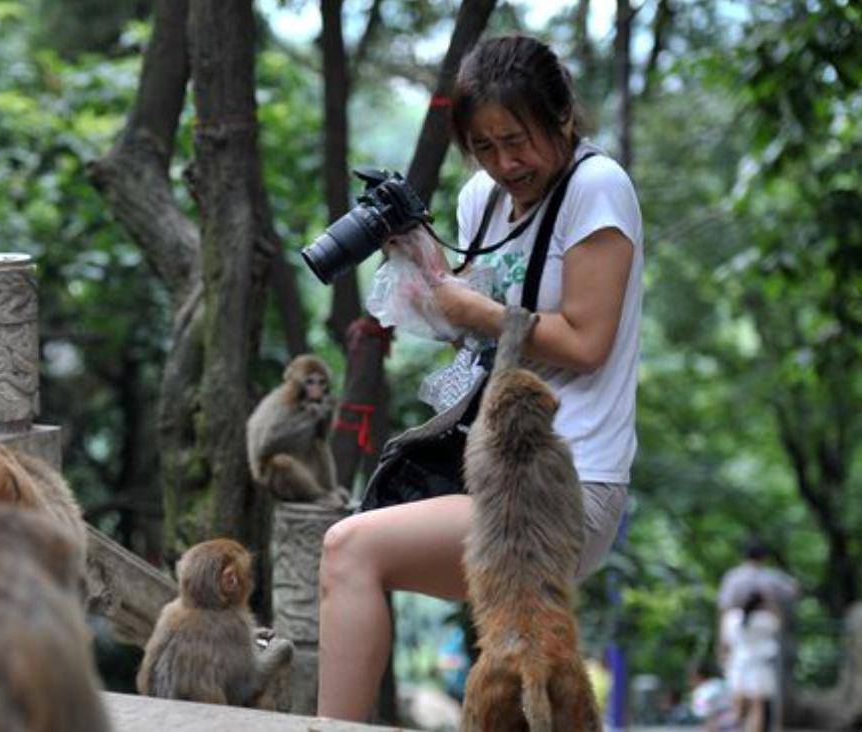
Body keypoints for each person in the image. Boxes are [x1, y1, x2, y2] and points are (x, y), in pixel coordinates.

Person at [316, 34, 644, 721]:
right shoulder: (483, 198)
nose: (504, 163)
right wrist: (425, 267)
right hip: (490, 473)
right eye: (484, 146)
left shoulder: (596, 187)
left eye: (517, 141)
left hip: (567, 486)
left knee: (351, 549)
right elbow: (474, 321)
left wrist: (479, 309)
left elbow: (586, 341)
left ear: (561, 119)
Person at [721, 592, 782, 732]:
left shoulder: (732, 618)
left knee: (738, 706)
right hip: (759, 666)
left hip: (738, 664)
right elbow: (779, 622)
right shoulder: (766, 620)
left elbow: (726, 641)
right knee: (757, 706)